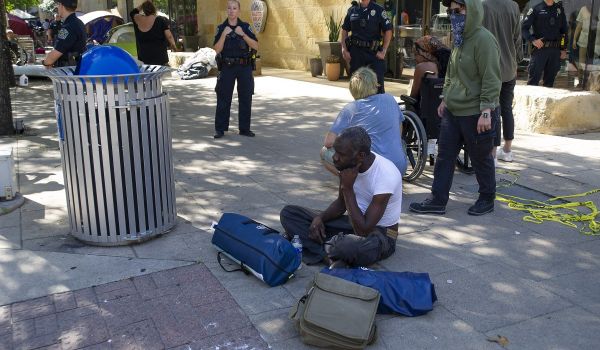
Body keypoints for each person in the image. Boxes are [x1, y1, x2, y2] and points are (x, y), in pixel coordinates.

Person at [409, 0, 501, 216]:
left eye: (457, 11)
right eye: (450, 12)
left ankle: (487, 198)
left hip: (476, 112)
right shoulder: (460, 38)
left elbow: (491, 78)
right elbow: (451, 72)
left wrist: (486, 111)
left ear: (472, 10)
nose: (453, 15)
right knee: (444, 156)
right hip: (454, 110)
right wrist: (446, 98)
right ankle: (437, 200)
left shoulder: (484, 40)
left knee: (481, 158)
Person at [281, 126, 402, 268]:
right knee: (289, 213)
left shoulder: (386, 175)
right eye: (335, 151)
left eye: (341, 154)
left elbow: (363, 230)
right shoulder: (348, 165)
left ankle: (319, 246)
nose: (334, 158)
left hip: (379, 234)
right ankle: (327, 255)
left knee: (347, 246)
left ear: (361, 156)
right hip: (352, 221)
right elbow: (340, 204)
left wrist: (348, 188)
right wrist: (320, 218)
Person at [321, 67, 407, 176]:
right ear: (375, 84)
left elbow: (328, 142)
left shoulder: (351, 108)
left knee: (324, 152)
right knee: (401, 143)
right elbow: (399, 128)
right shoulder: (389, 99)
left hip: (372, 172)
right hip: (398, 168)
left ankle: (354, 182)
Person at [482, 0, 522, 163]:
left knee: (493, 108)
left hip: (490, 66)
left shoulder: (483, 5)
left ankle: (493, 151)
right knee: (506, 108)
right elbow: (518, 38)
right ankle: (507, 149)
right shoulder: (513, 6)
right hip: (509, 66)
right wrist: (517, 60)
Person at [213, 0, 259, 139]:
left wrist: (243, 35)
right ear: (226, 10)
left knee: (246, 97)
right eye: (229, 8)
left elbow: (256, 46)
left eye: (234, 8)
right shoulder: (221, 28)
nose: (232, 11)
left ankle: (244, 129)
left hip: (244, 67)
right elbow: (216, 49)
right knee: (223, 97)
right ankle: (220, 129)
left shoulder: (245, 27)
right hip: (227, 67)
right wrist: (223, 35)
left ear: (239, 11)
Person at [341, 0, 393, 94]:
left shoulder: (379, 10)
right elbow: (344, 30)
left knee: (378, 87)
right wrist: (344, 49)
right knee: (357, 87)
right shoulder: (352, 10)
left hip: (374, 53)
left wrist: (384, 50)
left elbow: (388, 30)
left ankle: (379, 108)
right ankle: (360, 108)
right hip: (356, 53)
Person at [521, 0, 568, 87]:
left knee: (549, 84)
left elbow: (564, 32)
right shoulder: (536, 9)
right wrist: (533, 40)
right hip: (540, 50)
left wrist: (563, 48)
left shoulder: (559, 9)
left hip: (555, 51)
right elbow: (524, 29)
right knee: (533, 82)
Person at [41, 0, 86, 68]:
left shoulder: (68, 27)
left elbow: (55, 53)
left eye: (58, 4)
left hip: (69, 72)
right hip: (77, 68)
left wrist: (45, 62)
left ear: (62, 6)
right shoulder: (79, 22)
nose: (57, 7)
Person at [130, 1, 177, 65]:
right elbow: (169, 36)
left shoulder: (138, 18)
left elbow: (133, 12)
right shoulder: (160, 20)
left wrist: (143, 5)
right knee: (163, 74)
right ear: (154, 9)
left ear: (143, 9)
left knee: (149, 74)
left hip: (145, 57)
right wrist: (174, 46)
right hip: (160, 57)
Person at [409, 35, 450, 100]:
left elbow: (413, 95)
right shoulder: (449, 64)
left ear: (425, 52)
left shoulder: (422, 67)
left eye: (416, 54)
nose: (415, 58)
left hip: (427, 107)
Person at [573, 5, 591, 86]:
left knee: (594, 63)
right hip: (584, 39)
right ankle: (580, 82)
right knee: (581, 62)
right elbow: (579, 26)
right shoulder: (583, 9)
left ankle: (593, 83)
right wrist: (574, 40)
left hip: (596, 41)